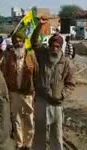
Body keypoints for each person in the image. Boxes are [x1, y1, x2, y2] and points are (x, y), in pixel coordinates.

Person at [31, 18, 75, 150]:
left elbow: (71, 84)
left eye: (57, 46)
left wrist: (62, 95)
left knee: (56, 135)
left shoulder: (67, 63)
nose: (54, 49)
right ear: (49, 46)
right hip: (41, 101)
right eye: (52, 46)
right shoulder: (43, 55)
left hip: (57, 104)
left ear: (60, 47)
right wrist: (39, 26)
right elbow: (34, 41)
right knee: (39, 134)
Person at [1, 32, 38, 150]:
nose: (18, 43)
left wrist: (35, 90)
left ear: (24, 41)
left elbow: (36, 73)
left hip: (27, 92)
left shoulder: (31, 55)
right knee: (15, 118)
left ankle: (28, 143)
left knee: (29, 118)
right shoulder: (9, 56)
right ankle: (19, 143)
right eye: (15, 41)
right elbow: (4, 73)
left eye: (20, 41)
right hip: (13, 92)